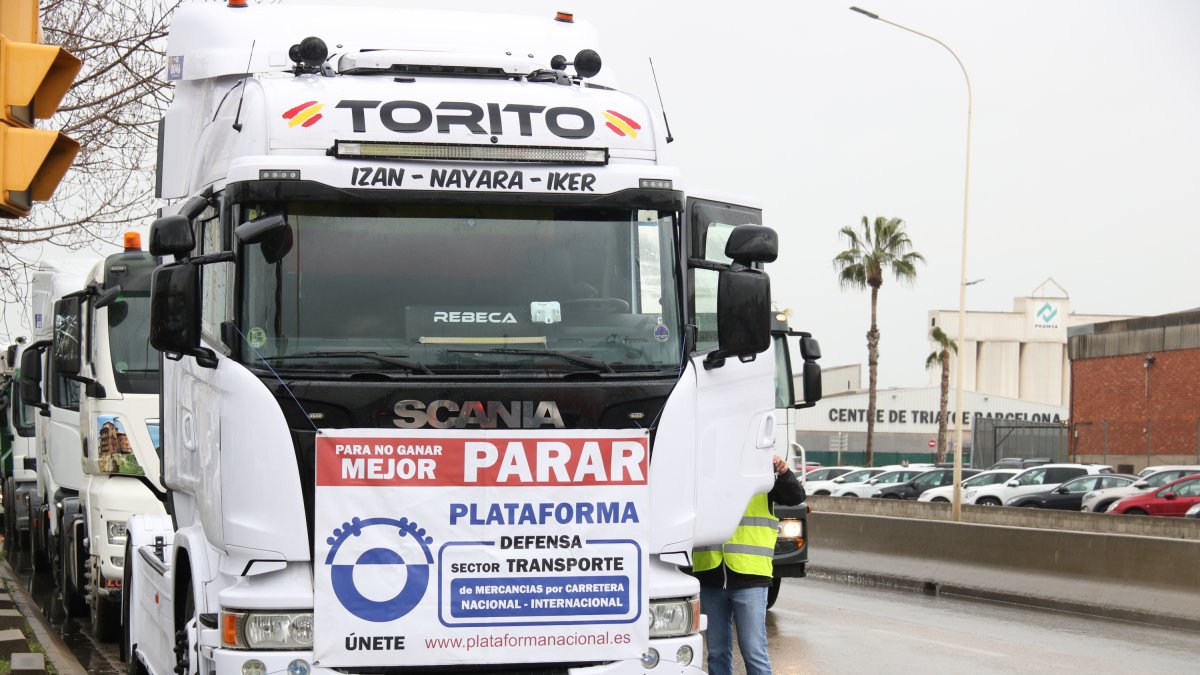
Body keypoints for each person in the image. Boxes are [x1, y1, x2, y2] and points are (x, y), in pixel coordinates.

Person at [691, 455, 805, 675]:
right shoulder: (703, 475)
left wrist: (784, 473)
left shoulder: (761, 474)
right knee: (717, 653)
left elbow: (795, 497)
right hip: (711, 574)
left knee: (754, 652)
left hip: (750, 575)